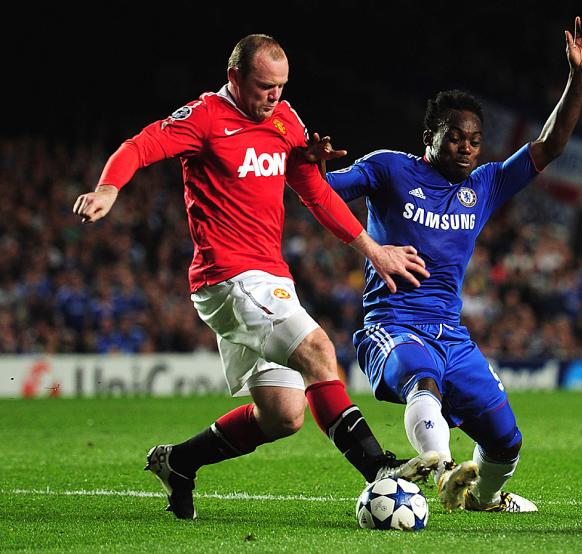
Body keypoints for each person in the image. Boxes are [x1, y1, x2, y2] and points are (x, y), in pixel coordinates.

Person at [73, 33, 438, 520]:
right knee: (319, 351)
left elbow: (316, 194)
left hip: (267, 277)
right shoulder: (204, 117)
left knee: (283, 415)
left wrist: (373, 250)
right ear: (234, 78)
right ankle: (379, 468)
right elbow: (139, 146)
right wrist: (107, 188)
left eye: (282, 87)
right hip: (226, 277)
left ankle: (179, 462)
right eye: (265, 86)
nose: (275, 97)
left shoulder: (286, 122)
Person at [323, 16, 582, 512]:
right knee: (421, 379)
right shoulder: (389, 168)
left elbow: (551, 145)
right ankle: (442, 467)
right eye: (455, 138)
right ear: (429, 135)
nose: (467, 147)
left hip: (452, 334)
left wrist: (578, 77)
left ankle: (482, 499)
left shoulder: (485, 185)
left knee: (506, 439)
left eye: (474, 140)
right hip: (392, 325)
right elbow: (321, 192)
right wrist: (309, 163)